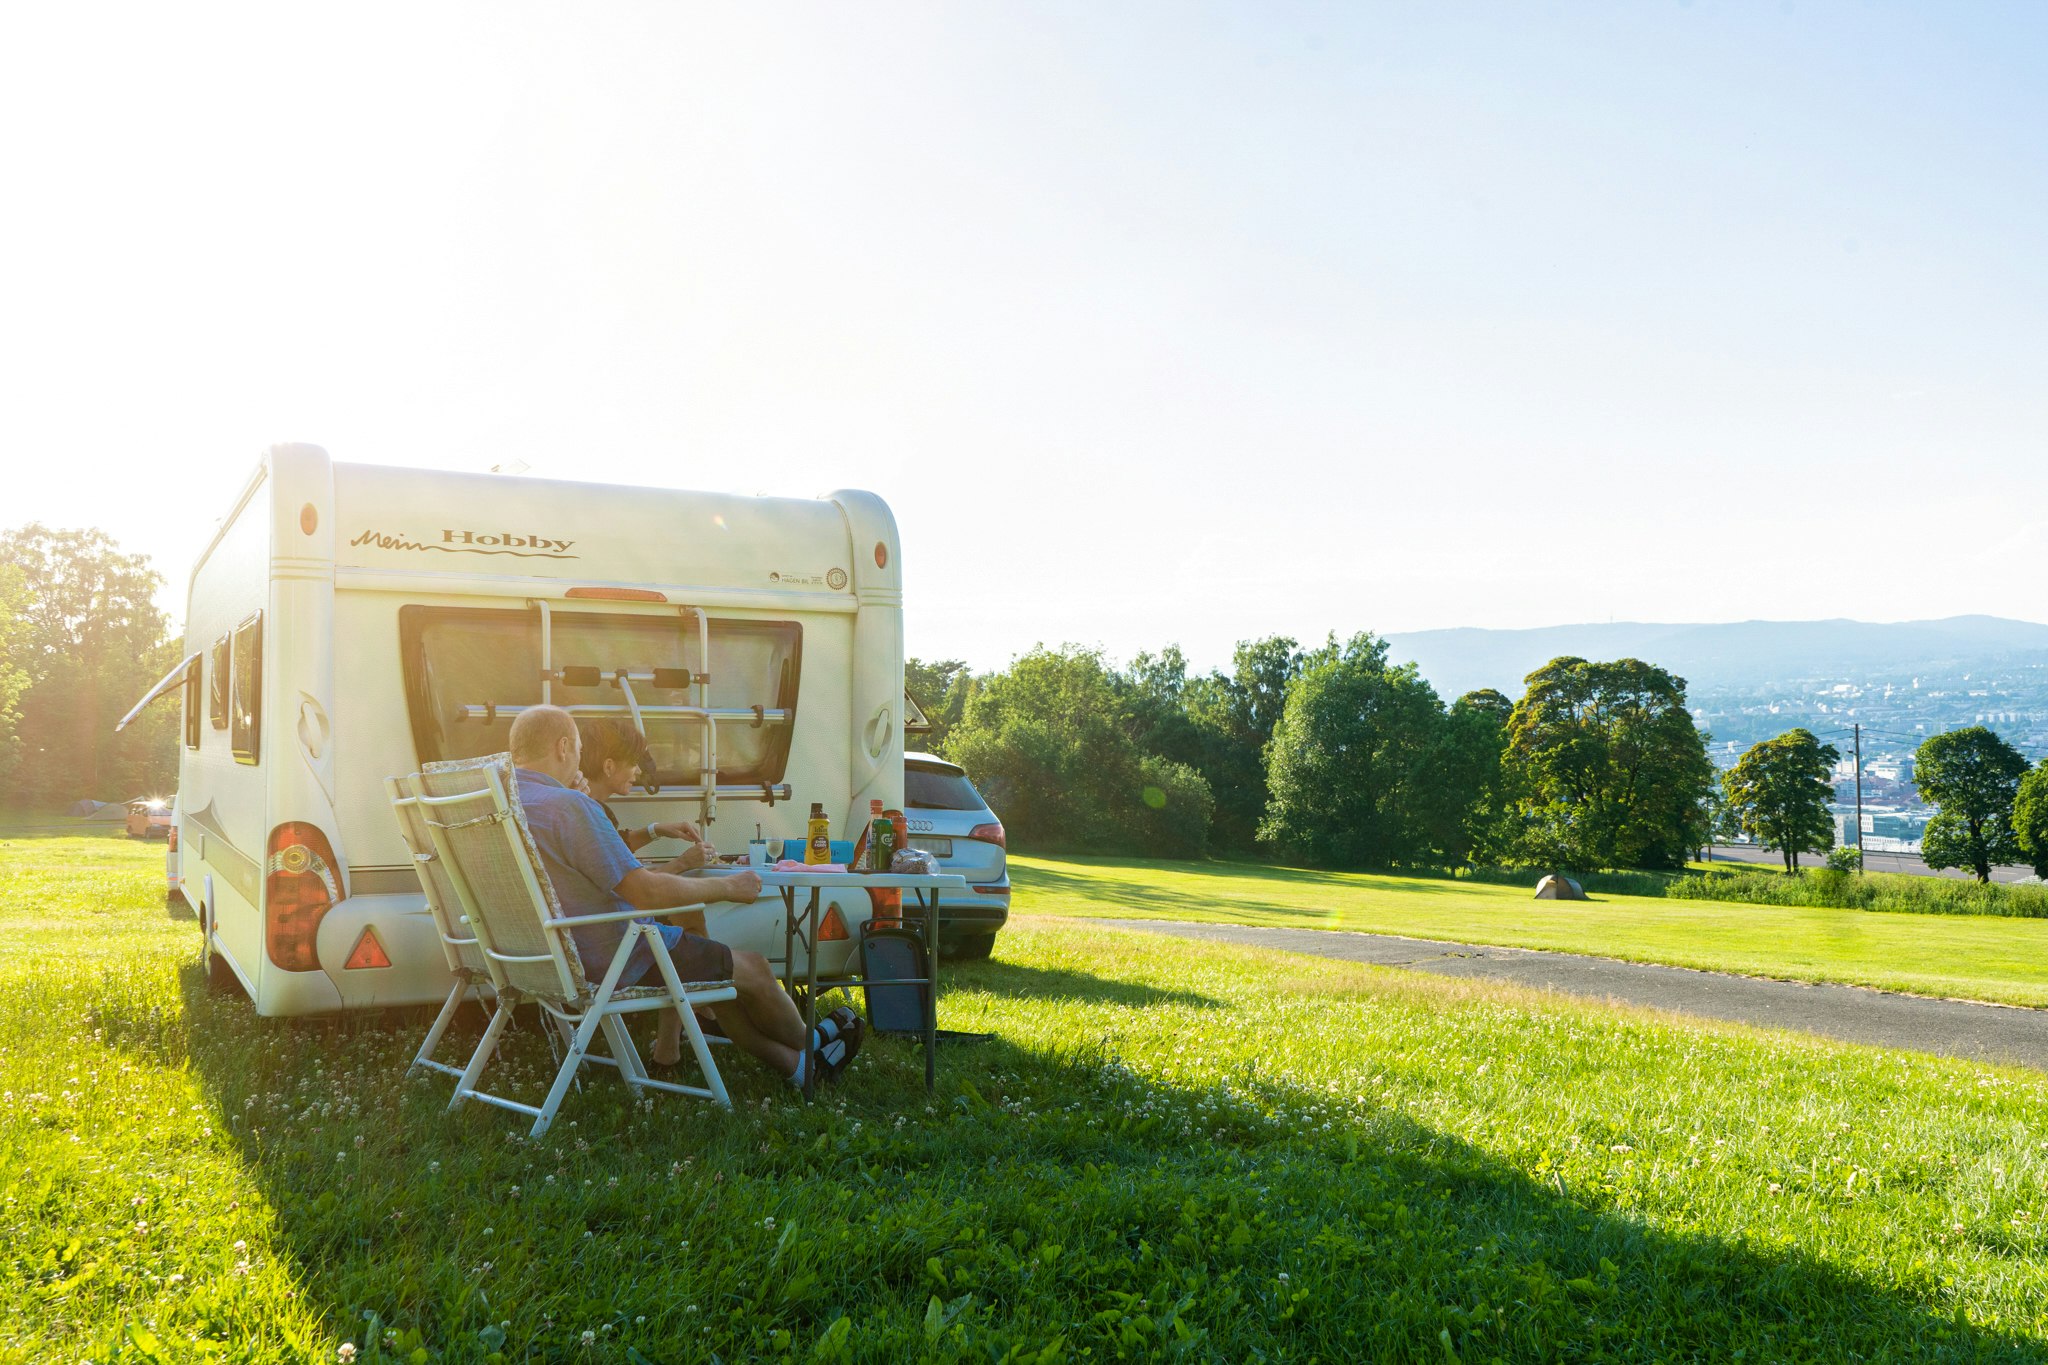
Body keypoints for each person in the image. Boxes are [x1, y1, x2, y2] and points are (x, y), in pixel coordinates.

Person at [507, 704, 861, 1086]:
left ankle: (803, 1068)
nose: (579, 761)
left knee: (722, 981)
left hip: (544, 955)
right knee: (754, 969)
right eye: (577, 750)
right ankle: (816, 1044)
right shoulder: (567, 807)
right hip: (619, 957)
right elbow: (647, 892)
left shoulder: (504, 804)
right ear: (563, 747)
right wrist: (729, 887)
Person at [575, 718, 714, 871]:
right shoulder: (587, 818)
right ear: (609, 767)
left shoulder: (582, 807)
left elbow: (611, 848)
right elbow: (633, 884)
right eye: (633, 763)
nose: (639, 771)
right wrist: (684, 862)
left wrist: (656, 830)